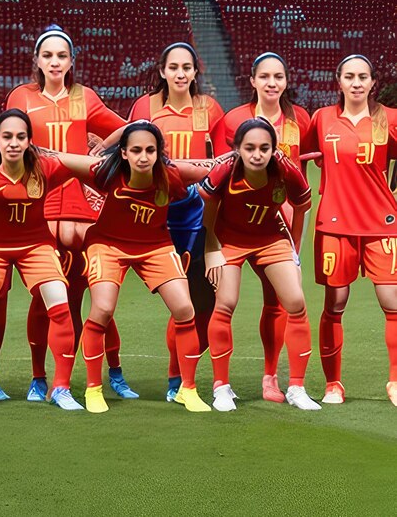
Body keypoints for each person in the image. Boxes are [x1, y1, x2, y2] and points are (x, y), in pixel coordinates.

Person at [0, 25, 132, 403]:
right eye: (47, 55)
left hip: (81, 203)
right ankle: (39, 377)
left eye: (61, 56)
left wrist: (99, 150)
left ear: (71, 62)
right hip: (41, 200)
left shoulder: (85, 96)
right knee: (45, 296)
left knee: (95, 291)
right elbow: (6, 136)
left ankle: (112, 371)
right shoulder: (22, 96)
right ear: (37, 61)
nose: (54, 62)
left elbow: (126, 130)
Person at [50, 121, 213, 413]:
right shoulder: (104, 171)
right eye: (136, 150)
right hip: (107, 245)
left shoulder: (171, 175)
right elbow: (57, 158)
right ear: (123, 153)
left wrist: (244, 157)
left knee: (185, 309)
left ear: (159, 152)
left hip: (155, 246)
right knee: (102, 309)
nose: (143, 156)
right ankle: (93, 389)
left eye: (150, 150)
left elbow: (214, 167)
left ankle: (187, 390)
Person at [0, 109, 82, 411]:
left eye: (21, 137)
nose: (14, 143)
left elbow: (86, 165)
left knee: (61, 306)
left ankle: (60, 388)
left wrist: (53, 152)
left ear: (29, 141)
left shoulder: (45, 167)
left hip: (36, 245)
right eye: (7, 136)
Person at [201, 118, 320, 411]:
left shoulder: (285, 169)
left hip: (271, 237)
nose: (257, 154)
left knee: (295, 302)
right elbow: (208, 210)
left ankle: (296, 387)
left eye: (264, 148)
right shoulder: (224, 171)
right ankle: (222, 388)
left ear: (273, 149)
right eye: (250, 147)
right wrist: (211, 250)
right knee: (225, 302)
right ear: (237, 149)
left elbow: (302, 207)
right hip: (228, 239)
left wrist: (294, 249)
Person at [212, 52, 311, 403]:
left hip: (276, 227)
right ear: (252, 80)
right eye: (265, 76)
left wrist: (295, 243)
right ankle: (219, 384)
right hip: (236, 225)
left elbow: (301, 169)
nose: (272, 83)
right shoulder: (234, 119)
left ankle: (272, 378)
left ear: (286, 81)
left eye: (279, 76)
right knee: (225, 302)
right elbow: (223, 170)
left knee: (282, 303)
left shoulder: (301, 118)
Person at [129, 41, 224, 402]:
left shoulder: (209, 108)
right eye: (174, 67)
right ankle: (108, 377)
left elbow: (224, 161)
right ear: (163, 71)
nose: (181, 73)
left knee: (198, 302)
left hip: (196, 216)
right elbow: (128, 149)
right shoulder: (145, 107)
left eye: (187, 67)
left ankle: (179, 380)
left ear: (195, 72)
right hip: (154, 214)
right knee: (169, 299)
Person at [304, 54, 397, 406]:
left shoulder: (389, 119)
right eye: (350, 76)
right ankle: (333, 385)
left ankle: (395, 382)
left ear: (373, 82)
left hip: (382, 224)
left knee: (393, 302)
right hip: (335, 224)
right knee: (336, 302)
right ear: (339, 81)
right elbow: (298, 156)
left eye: (363, 76)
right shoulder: (322, 118)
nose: (356, 82)